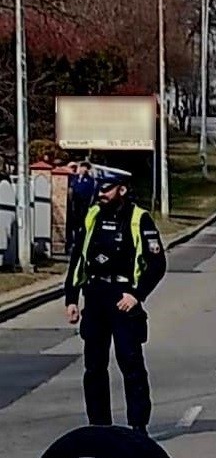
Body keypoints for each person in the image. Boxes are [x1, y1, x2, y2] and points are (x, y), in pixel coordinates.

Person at [64, 173, 167, 435]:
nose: (101, 194)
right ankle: (99, 426)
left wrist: (136, 294)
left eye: (106, 189)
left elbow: (157, 264)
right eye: (100, 189)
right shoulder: (93, 215)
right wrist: (71, 299)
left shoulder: (138, 218)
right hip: (95, 296)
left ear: (121, 189)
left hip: (124, 299)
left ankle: (138, 426)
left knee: (131, 364)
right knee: (94, 367)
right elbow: (78, 257)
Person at [66, 161, 97, 252]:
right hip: (73, 205)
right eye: (82, 167)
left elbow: (90, 194)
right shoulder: (73, 178)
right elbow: (70, 190)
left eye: (85, 167)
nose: (83, 169)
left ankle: (80, 242)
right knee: (72, 225)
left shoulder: (90, 180)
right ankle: (71, 243)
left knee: (81, 225)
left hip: (83, 206)